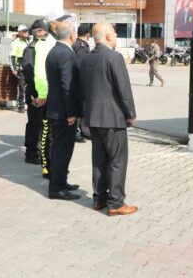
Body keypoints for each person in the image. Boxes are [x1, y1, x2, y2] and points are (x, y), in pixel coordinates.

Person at [80, 23, 138, 216]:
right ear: (106, 36)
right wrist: (130, 114)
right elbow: (124, 89)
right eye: (114, 33)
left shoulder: (87, 58)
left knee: (99, 160)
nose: (116, 36)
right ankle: (116, 203)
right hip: (112, 119)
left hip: (93, 118)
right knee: (117, 160)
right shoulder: (114, 57)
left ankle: (99, 198)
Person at [45, 17, 82, 201]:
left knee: (61, 149)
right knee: (62, 150)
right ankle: (57, 188)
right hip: (63, 112)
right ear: (71, 35)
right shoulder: (66, 54)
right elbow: (67, 85)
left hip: (56, 109)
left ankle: (61, 181)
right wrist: (71, 112)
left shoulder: (54, 51)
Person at [32, 13, 59, 178]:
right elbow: (40, 73)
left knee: (50, 132)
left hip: (52, 93)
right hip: (47, 94)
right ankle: (46, 166)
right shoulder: (43, 44)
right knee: (47, 131)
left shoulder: (51, 42)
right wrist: (42, 94)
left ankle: (51, 165)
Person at [21, 19, 47, 165]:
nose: (45, 33)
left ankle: (39, 151)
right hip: (35, 92)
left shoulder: (43, 46)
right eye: (42, 30)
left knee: (42, 124)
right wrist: (37, 94)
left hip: (42, 91)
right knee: (35, 124)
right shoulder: (31, 49)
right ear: (37, 32)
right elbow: (29, 71)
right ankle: (31, 153)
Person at [72, 24, 92, 142]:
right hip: (80, 82)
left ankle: (84, 130)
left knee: (82, 107)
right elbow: (81, 65)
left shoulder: (79, 44)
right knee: (79, 107)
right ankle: (76, 132)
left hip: (79, 82)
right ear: (88, 34)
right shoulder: (80, 46)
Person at [10, 25, 30, 113]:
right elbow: (12, 56)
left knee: (29, 88)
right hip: (20, 68)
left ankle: (29, 105)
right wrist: (13, 68)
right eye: (24, 31)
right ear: (19, 33)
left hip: (28, 68)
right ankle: (21, 106)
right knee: (21, 88)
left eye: (26, 31)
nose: (26, 32)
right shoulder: (15, 42)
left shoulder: (28, 41)